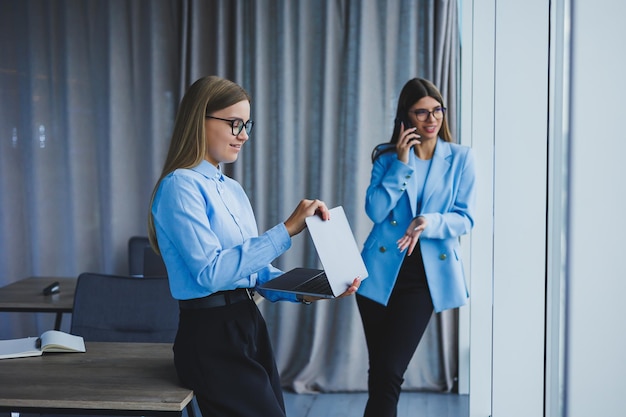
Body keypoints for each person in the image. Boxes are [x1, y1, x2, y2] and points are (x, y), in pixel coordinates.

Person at [147, 75, 360, 417]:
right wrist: (287, 230)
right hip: (210, 334)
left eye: (246, 124)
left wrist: (312, 289)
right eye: (234, 124)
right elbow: (210, 273)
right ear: (199, 119)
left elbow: (256, 273)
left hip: (248, 324)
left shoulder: (233, 190)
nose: (244, 135)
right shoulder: (179, 187)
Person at [356, 77, 476, 417]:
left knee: (390, 370)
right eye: (421, 112)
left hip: (424, 278)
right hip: (378, 274)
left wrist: (429, 221)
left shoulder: (461, 159)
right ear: (406, 117)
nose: (431, 119)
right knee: (380, 371)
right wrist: (402, 163)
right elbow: (376, 211)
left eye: (437, 110)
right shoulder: (388, 158)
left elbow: (465, 219)